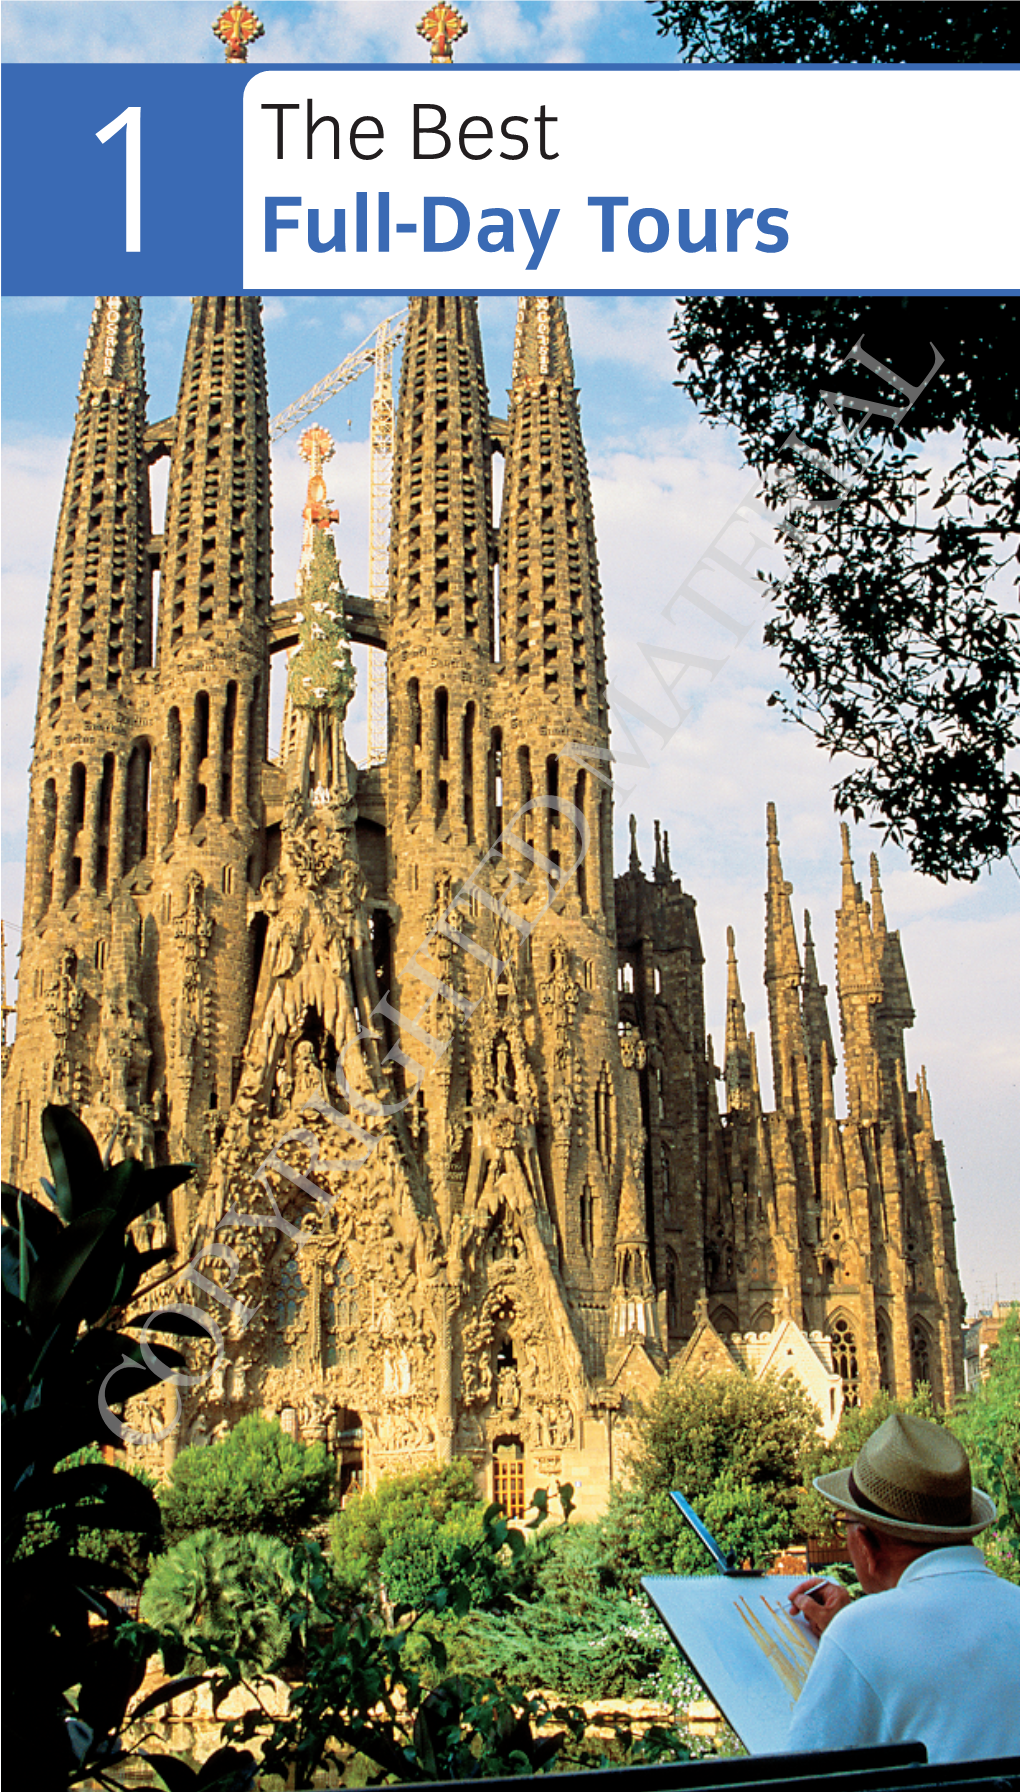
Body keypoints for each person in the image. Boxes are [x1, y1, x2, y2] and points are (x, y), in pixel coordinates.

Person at [786, 1413, 1020, 1764]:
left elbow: (796, 1784)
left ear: (865, 1544)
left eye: (844, 1526)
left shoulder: (859, 1634)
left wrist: (854, 1633)